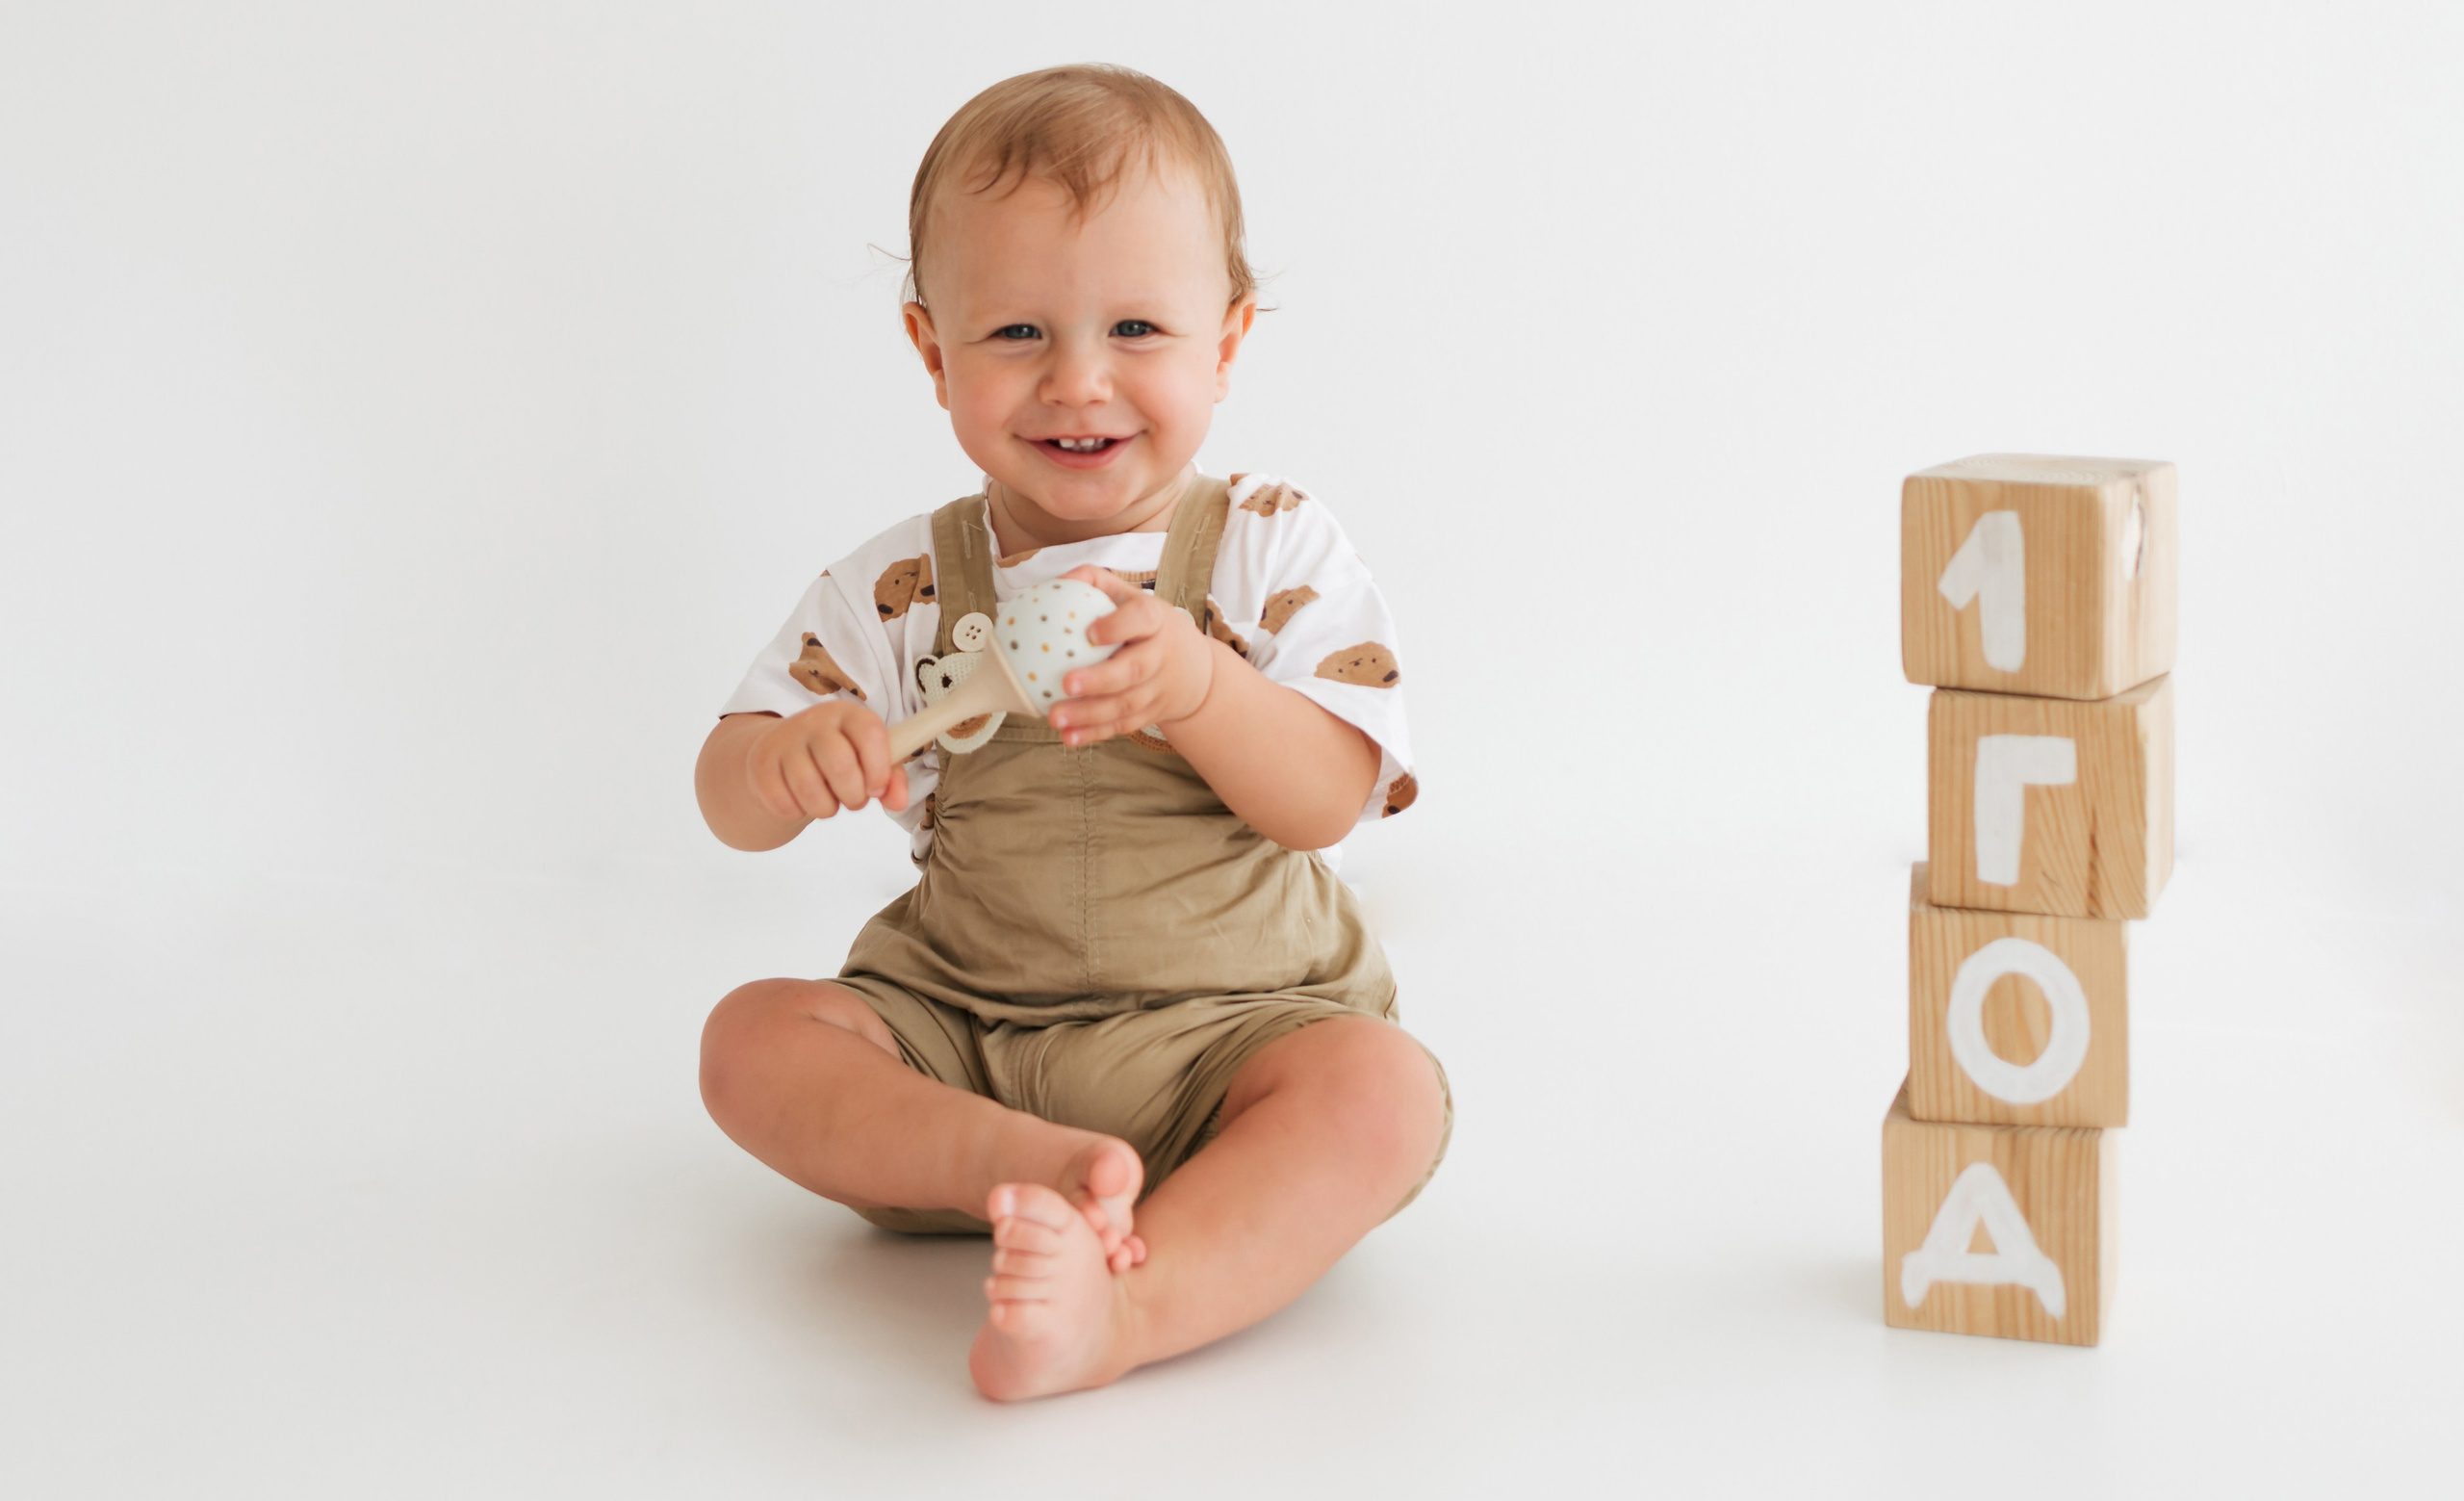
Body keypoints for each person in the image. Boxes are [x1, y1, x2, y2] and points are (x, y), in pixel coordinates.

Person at [693, 64, 1449, 1401]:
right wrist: (779, 761)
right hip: (967, 1035)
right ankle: (1019, 1169)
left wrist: (1204, 692)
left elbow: (1329, 797)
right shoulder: (907, 587)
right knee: (750, 1040)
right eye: (1017, 333)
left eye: (1138, 328)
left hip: (1234, 1043)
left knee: (1384, 1093)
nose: (1078, 382)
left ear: (1227, 343)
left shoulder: (1270, 546)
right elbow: (727, 797)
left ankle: (1128, 1310)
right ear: (934, 351)